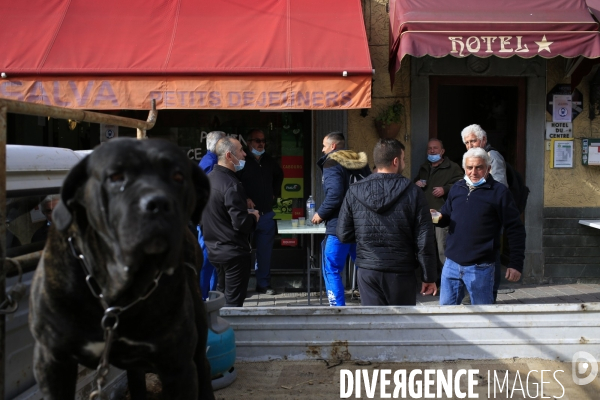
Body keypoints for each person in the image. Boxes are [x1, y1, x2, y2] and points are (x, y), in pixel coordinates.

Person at [337, 139, 438, 305]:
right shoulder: (413, 191)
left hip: (368, 269)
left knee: (373, 324)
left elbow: (343, 234)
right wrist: (429, 276)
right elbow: (424, 239)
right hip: (401, 270)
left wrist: (365, 238)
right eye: (404, 159)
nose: (404, 163)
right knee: (400, 326)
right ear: (396, 161)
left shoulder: (354, 190)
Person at [435, 148, 526, 305]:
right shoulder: (457, 188)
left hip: (481, 267)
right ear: (464, 168)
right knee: (446, 316)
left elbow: (515, 229)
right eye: (470, 167)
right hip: (452, 265)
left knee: (483, 320)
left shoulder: (499, 193)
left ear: (488, 169)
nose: (474, 172)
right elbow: (446, 217)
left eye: (479, 167)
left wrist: (515, 263)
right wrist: (436, 217)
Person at [312, 132, 371, 306]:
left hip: (340, 225)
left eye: (324, 146)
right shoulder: (360, 164)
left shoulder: (331, 162)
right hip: (361, 223)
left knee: (331, 268)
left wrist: (320, 213)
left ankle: (337, 309)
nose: (322, 150)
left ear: (333, 147)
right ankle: (371, 305)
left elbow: (335, 195)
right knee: (365, 267)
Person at [202, 137, 260, 307]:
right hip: (233, 252)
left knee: (220, 302)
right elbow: (241, 223)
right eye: (241, 150)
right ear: (229, 155)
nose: (244, 154)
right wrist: (253, 217)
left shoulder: (209, 180)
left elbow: (213, 213)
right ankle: (228, 333)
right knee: (233, 305)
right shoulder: (231, 184)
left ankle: (218, 331)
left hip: (215, 250)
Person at [461, 124, 508, 302]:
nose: (470, 145)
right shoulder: (471, 159)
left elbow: (500, 188)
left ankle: (491, 295)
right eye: (467, 142)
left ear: (483, 140)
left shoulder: (492, 156)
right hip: (477, 217)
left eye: (473, 140)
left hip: (491, 217)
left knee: (491, 256)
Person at [237, 129, 284, 295]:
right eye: (257, 140)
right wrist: (244, 198)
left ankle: (263, 284)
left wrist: (274, 192)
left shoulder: (269, 161)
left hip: (265, 215)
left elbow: (279, 175)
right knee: (241, 253)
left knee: (264, 253)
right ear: (249, 142)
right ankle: (240, 286)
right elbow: (233, 182)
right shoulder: (241, 161)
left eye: (263, 140)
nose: (261, 143)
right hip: (245, 215)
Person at [414, 138, 463, 284]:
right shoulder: (424, 167)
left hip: (441, 214)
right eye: (429, 149)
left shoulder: (452, 167)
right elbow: (414, 185)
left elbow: (461, 184)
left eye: (435, 148)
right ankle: (432, 280)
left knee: (442, 247)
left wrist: (445, 189)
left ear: (442, 151)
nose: (432, 151)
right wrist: (416, 184)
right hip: (425, 215)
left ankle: (449, 280)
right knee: (429, 248)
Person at [197, 131, 226, 300]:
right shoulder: (210, 163)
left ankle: (211, 294)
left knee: (211, 260)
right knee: (207, 258)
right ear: (218, 145)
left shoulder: (211, 161)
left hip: (208, 217)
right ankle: (202, 296)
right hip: (208, 219)